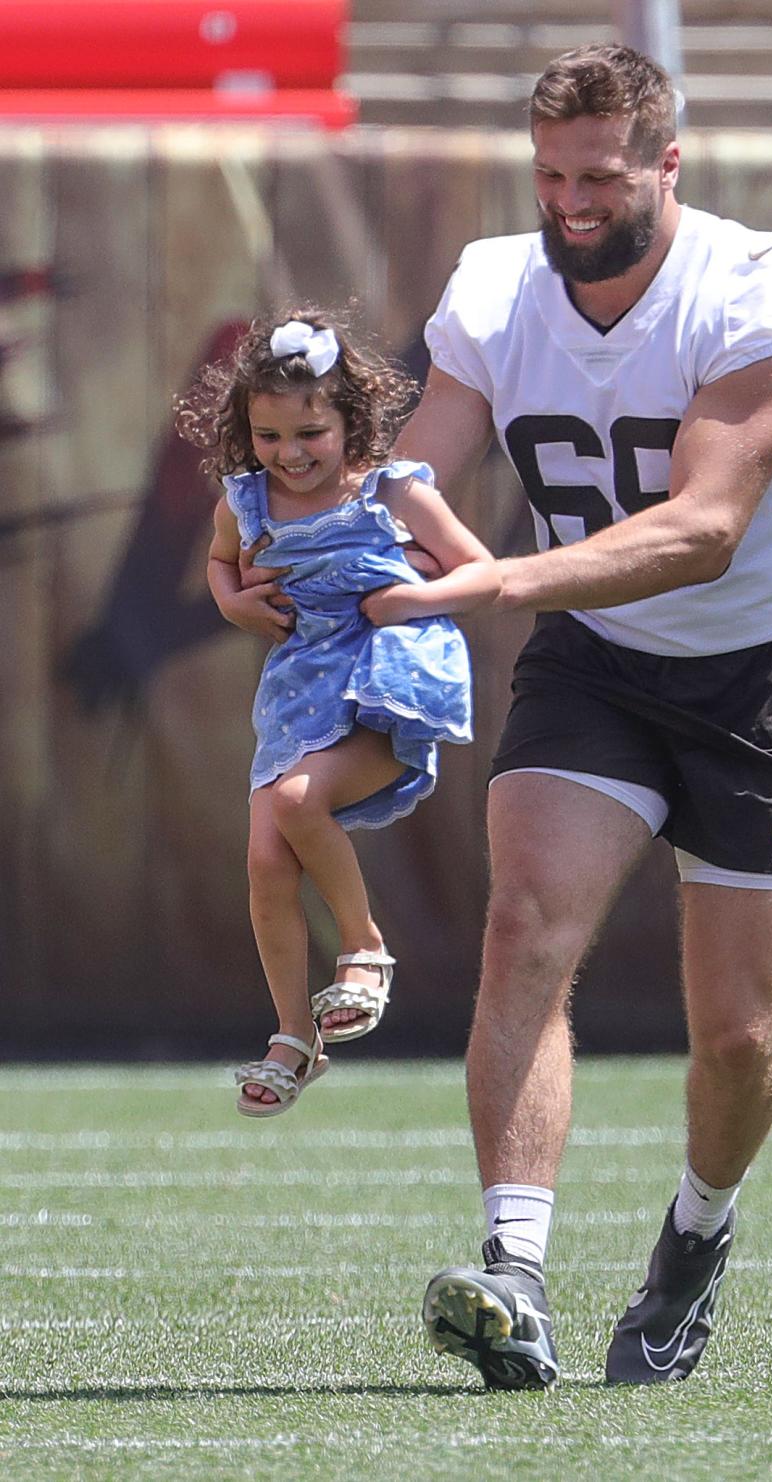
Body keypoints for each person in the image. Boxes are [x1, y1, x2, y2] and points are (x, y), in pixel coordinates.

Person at [397, 45, 772, 1389]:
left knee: (736, 1033)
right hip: (594, 656)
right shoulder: (494, 284)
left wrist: (499, 577)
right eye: (549, 174)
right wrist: (312, 551)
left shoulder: (761, 284)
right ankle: (514, 1273)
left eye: (600, 174)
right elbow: (427, 464)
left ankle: (696, 1236)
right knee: (525, 921)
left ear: (668, 163)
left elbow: (706, 528)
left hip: (761, 670)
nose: (570, 201)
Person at [176, 310, 500, 1117]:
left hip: (391, 680)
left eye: (310, 432)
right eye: (270, 435)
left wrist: (408, 599)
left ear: (352, 420)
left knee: (296, 802)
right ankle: (295, 1034)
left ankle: (363, 947)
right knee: (264, 858)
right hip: (301, 688)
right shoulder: (244, 502)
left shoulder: (394, 491)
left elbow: (486, 577)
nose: (290, 453)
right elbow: (222, 566)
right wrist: (237, 606)